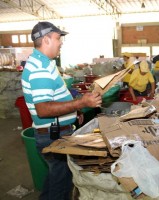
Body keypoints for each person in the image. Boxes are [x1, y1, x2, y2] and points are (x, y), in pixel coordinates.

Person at [21, 21, 102, 200]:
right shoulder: (40, 68)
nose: (61, 42)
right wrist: (80, 103)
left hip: (53, 131)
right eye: (58, 38)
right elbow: (43, 109)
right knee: (62, 187)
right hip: (53, 135)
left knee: (55, 178)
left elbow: (54, 98)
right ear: (46, 39)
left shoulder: (43, 62)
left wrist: (74, 110)